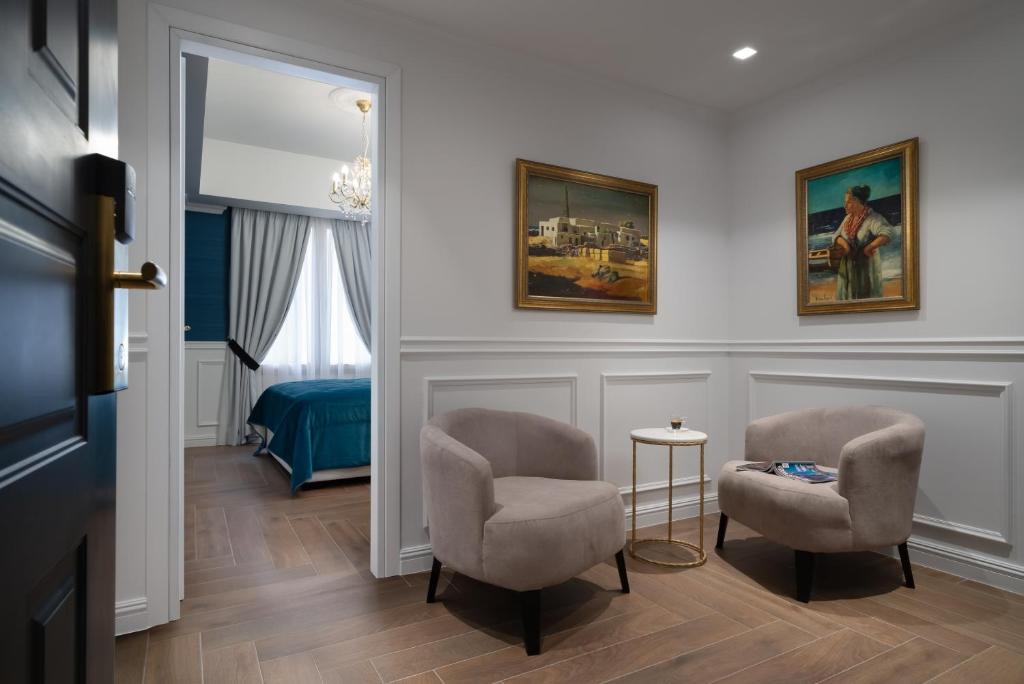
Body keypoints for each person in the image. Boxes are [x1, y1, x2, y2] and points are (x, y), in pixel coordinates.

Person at [829, 184, 894, 299]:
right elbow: (836, 236)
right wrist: (845, 246)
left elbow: (888, 233)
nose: (845, 205)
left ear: (856, 201)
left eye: (848, 202)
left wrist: (869, 247)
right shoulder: (847, 219)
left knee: (865, 297)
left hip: (865, 267)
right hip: (848, 267)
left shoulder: (872, 217)